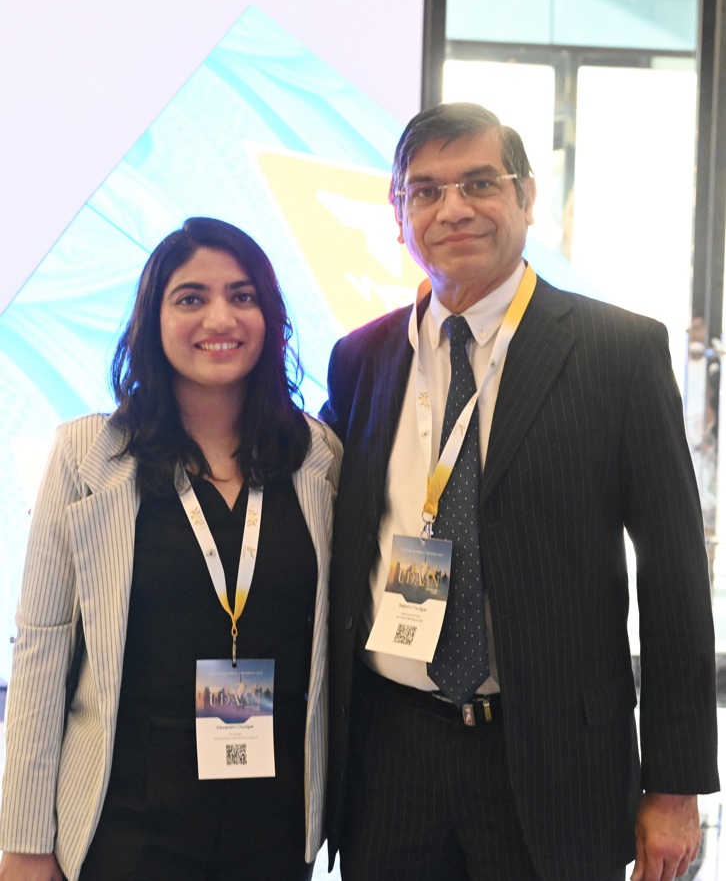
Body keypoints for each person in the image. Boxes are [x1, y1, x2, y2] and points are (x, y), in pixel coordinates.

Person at [321, 103, 719, 881]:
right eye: (425, 191)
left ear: (528, 197)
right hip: (389, 756)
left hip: (551, 759)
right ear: (398, 215)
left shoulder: (618, 353)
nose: (453, 209)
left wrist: (674, 786)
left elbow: (674, 577)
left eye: (480, 183)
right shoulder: (361, 358)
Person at [0, 217, 341, 881]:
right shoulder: (89, 457)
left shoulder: (316, 458)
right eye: (191, 298)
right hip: (127, 821)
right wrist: (24, 841)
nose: (220, 317)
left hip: (273, 824)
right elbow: (42, 653)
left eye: (243, 296)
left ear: (270, 317)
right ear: (152, 319)